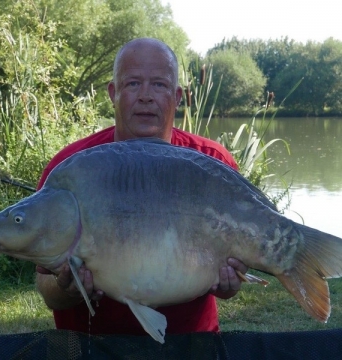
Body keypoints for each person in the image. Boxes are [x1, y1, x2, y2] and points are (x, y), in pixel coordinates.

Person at [36, 37, 248, 336]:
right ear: (113, 92)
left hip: (189, 344)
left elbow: (233, 279)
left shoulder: (212, 163)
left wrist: (230, 283)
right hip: (93, 345)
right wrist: (65, 288)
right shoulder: (70, 168)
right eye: (133, 83)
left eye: (159, 85)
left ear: (177, 96)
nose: (146, 96)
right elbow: (47, 289)